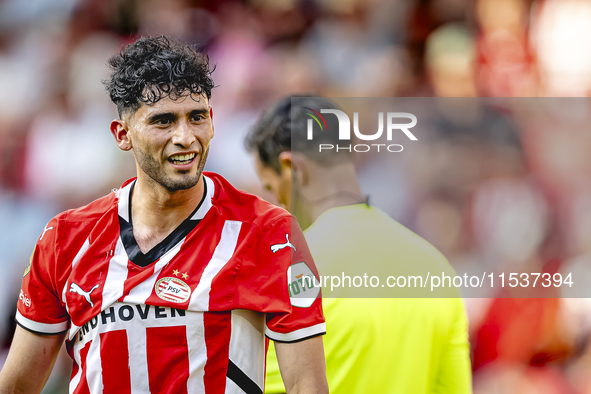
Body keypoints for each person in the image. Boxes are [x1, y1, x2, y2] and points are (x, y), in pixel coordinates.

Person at [0, 37, 328, 394]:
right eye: (163, 121)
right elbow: (17, 386)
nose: (185, 137)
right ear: (122, 135)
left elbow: (306, 386)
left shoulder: (270, 233)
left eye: (197, 117)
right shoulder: (64, 238)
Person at [245, 96, 472, 393]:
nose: (275, 204)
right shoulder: (435, 266)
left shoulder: (284, 269)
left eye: (272, 189)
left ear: (291, 168)